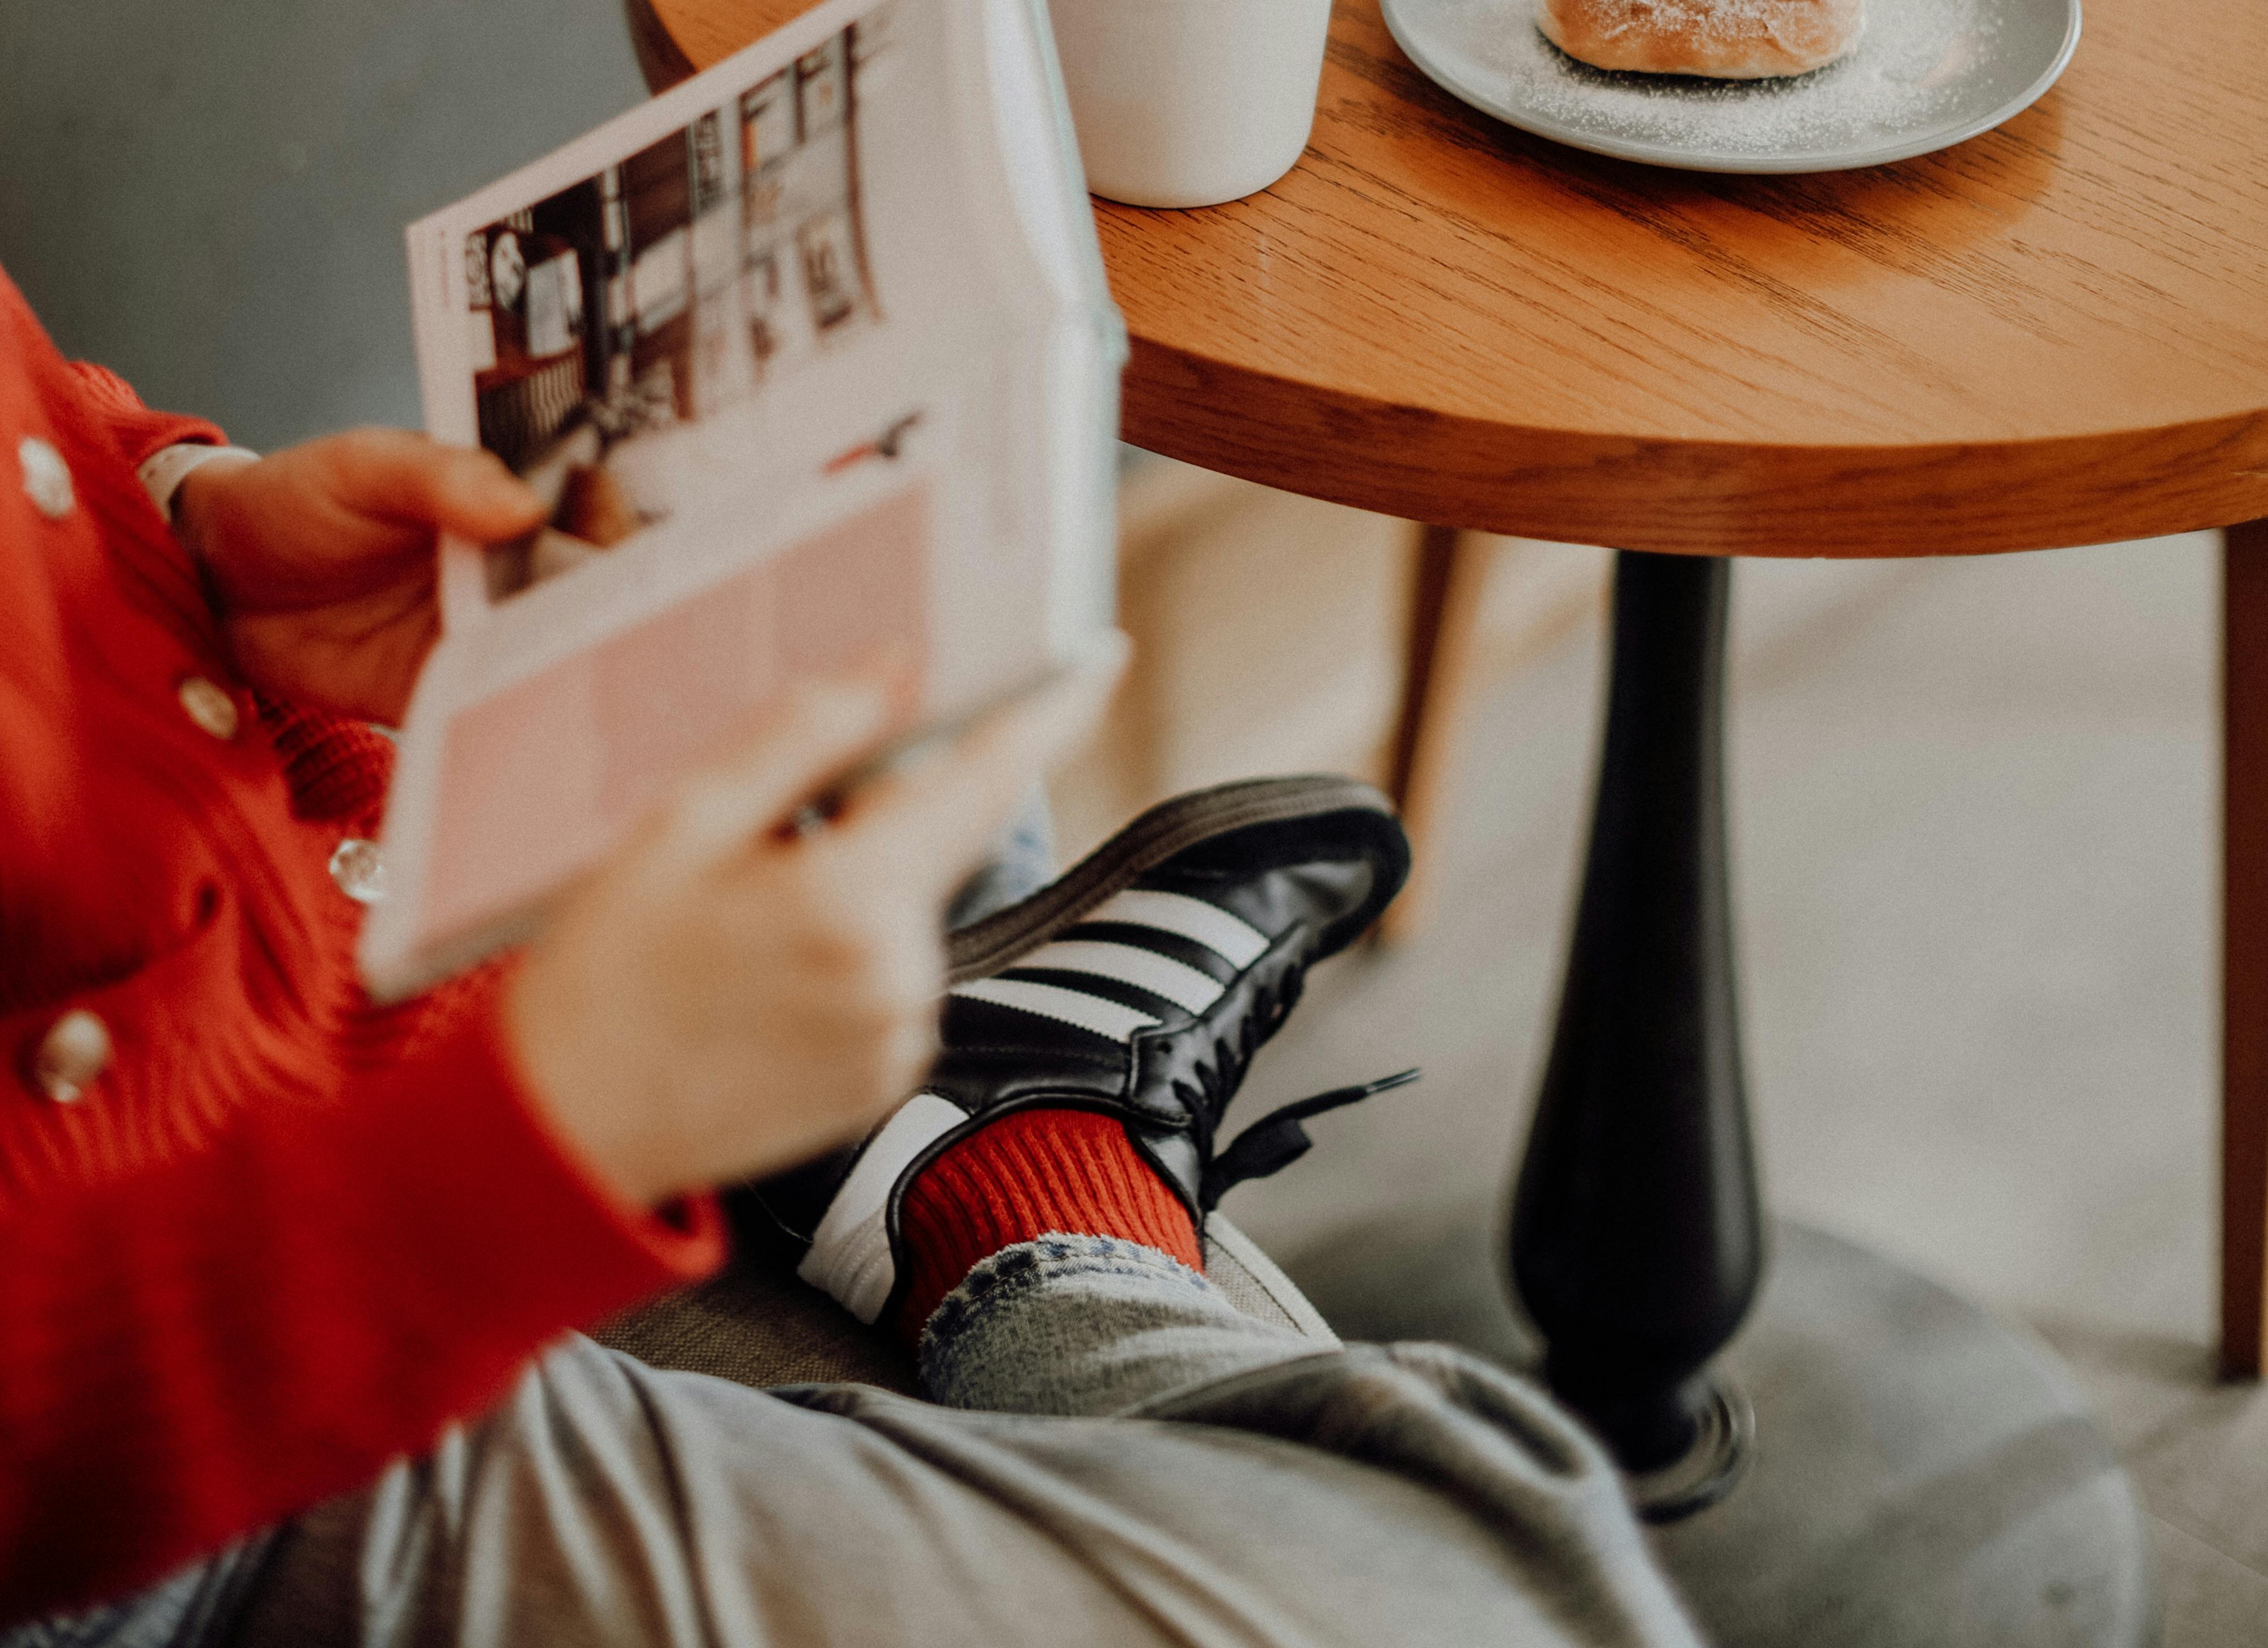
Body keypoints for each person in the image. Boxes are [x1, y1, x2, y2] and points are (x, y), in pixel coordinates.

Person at [0, 261, 1700, 1648]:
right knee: (1499, 1591)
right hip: (170, 1430)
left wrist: (184, 524)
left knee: (900, 577)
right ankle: (1031, 1172)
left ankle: (972, 1137)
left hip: (302, 938)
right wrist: (555, 1127)